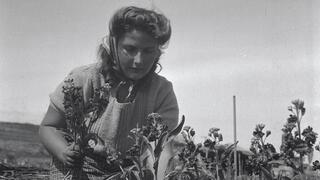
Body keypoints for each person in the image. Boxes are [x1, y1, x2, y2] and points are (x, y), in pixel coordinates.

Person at [39, 6, 179, 180]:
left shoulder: (162, 91)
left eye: (148, 51)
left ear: (157, 52)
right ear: (113, 45)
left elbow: (164, 149)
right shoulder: (84, 79)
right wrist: (63, 152)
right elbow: (49, 126)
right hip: (78, 165)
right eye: (130, 48)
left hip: (128, 170)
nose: (139, 60)